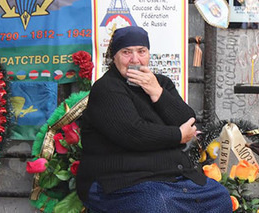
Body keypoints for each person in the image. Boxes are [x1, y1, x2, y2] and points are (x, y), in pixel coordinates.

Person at [76, 26, 232, 213]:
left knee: (220, 198)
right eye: (126, 52)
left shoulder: (161, 83)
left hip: (168, 177)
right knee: (158, 205)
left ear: (149, 54)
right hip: (118, 181)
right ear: (114, 56)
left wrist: (157, 93)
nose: (135, 59)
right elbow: (133, 133)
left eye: (141, 51)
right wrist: (177, 135)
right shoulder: (107, 88)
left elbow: (187, 119)